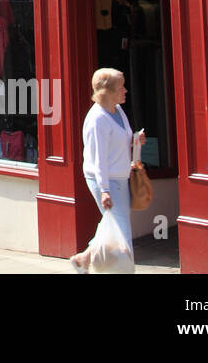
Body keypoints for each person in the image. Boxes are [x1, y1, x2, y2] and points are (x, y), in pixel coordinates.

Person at [70, 68, 144, 273]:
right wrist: (104, 190)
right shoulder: (97, 120)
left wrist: (136, 141)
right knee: (122, 234)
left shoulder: (117, 110)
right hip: (106, 179)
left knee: (111, 226)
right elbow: (99, 158)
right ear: (108, 91)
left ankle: (83, 259)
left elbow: (121, 139)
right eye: (121, 87)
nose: (126, 90)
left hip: (119, 178)